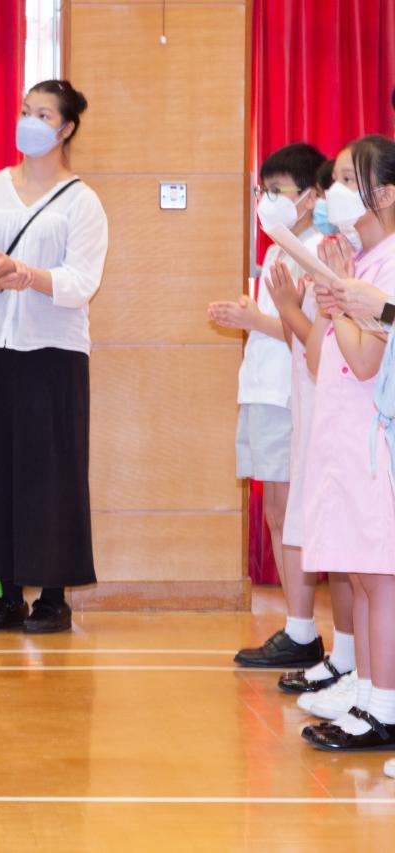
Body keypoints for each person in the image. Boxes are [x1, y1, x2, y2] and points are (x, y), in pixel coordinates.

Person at [0, 79, 109, 634]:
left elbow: (81, 282)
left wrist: (27, 275)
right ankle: (8, 595)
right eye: (24, 111)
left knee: (51, 471)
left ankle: (54, 598)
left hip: (54, 353)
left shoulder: (83, 201)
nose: (29, 122)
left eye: (42, 114)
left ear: (66, 128)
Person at [208, 142, 327, 668]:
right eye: (263, 190)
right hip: (263, 390)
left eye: (277, 191)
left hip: (290, 395)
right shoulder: (280, 249)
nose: (266, 200)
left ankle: (303, 630)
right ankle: (296, 626)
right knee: (277, 513)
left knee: (292, 513)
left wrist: (253, 319)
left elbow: (313, 332)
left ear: (309, 197)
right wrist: (249, 315)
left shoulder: (317, 250)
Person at [297, 135, 395, 752]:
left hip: (373, 441)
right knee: (361, 575)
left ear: (383, 193)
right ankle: (366, 692)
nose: (331, 191)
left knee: (379, 579)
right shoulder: (362, 260)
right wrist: (329, 294)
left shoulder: (389, 265)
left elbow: (364, 363)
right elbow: (320, 360)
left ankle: (385, 707)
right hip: (343, 438)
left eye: (342, 179)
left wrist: (340, 297)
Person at [274, 147, 359, 698]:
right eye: (335, 183)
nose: (335, 196)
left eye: (349, 180)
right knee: (346, 558)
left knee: (363, 564)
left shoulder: (368, 262)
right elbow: (311, 352)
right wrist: (295, 306)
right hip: (327, 415)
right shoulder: (338, 257)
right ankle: (350, 663)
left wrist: (295, 308)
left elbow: (359, 348)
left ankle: (365, 677)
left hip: (361, 420)